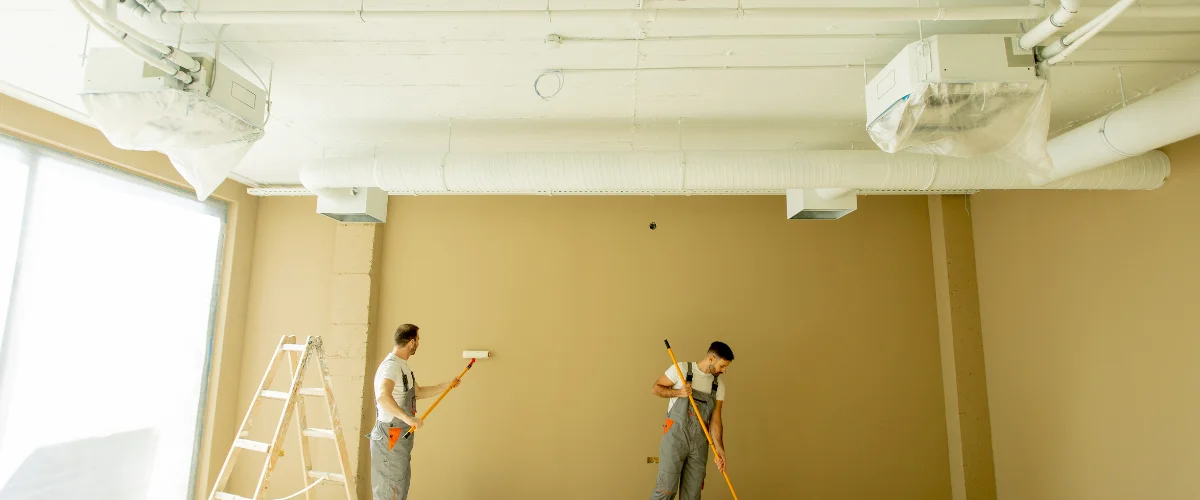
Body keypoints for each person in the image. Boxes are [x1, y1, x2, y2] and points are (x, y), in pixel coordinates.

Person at [369, 324, 462, 500]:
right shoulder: (391, 367)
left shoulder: (402, 366)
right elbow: (382, 397)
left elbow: (417, 392)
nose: (418, 343)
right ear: (412, 342)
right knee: (391, 490)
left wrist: (446, 385)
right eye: (418, 340)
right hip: (391, 435)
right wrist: (407, 418)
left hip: (399, 435)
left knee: (399, 486)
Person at [649, 341, 733, 500]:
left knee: (692, 496)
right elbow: (656, 388)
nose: (724, 370)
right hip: (675, 439)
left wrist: (719, 449)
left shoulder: (718, 386)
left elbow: (715, 419)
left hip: (699, 444)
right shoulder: (681, 369)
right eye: (722, 366)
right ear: (711, 359)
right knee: (665, 491)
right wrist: (678, 392)